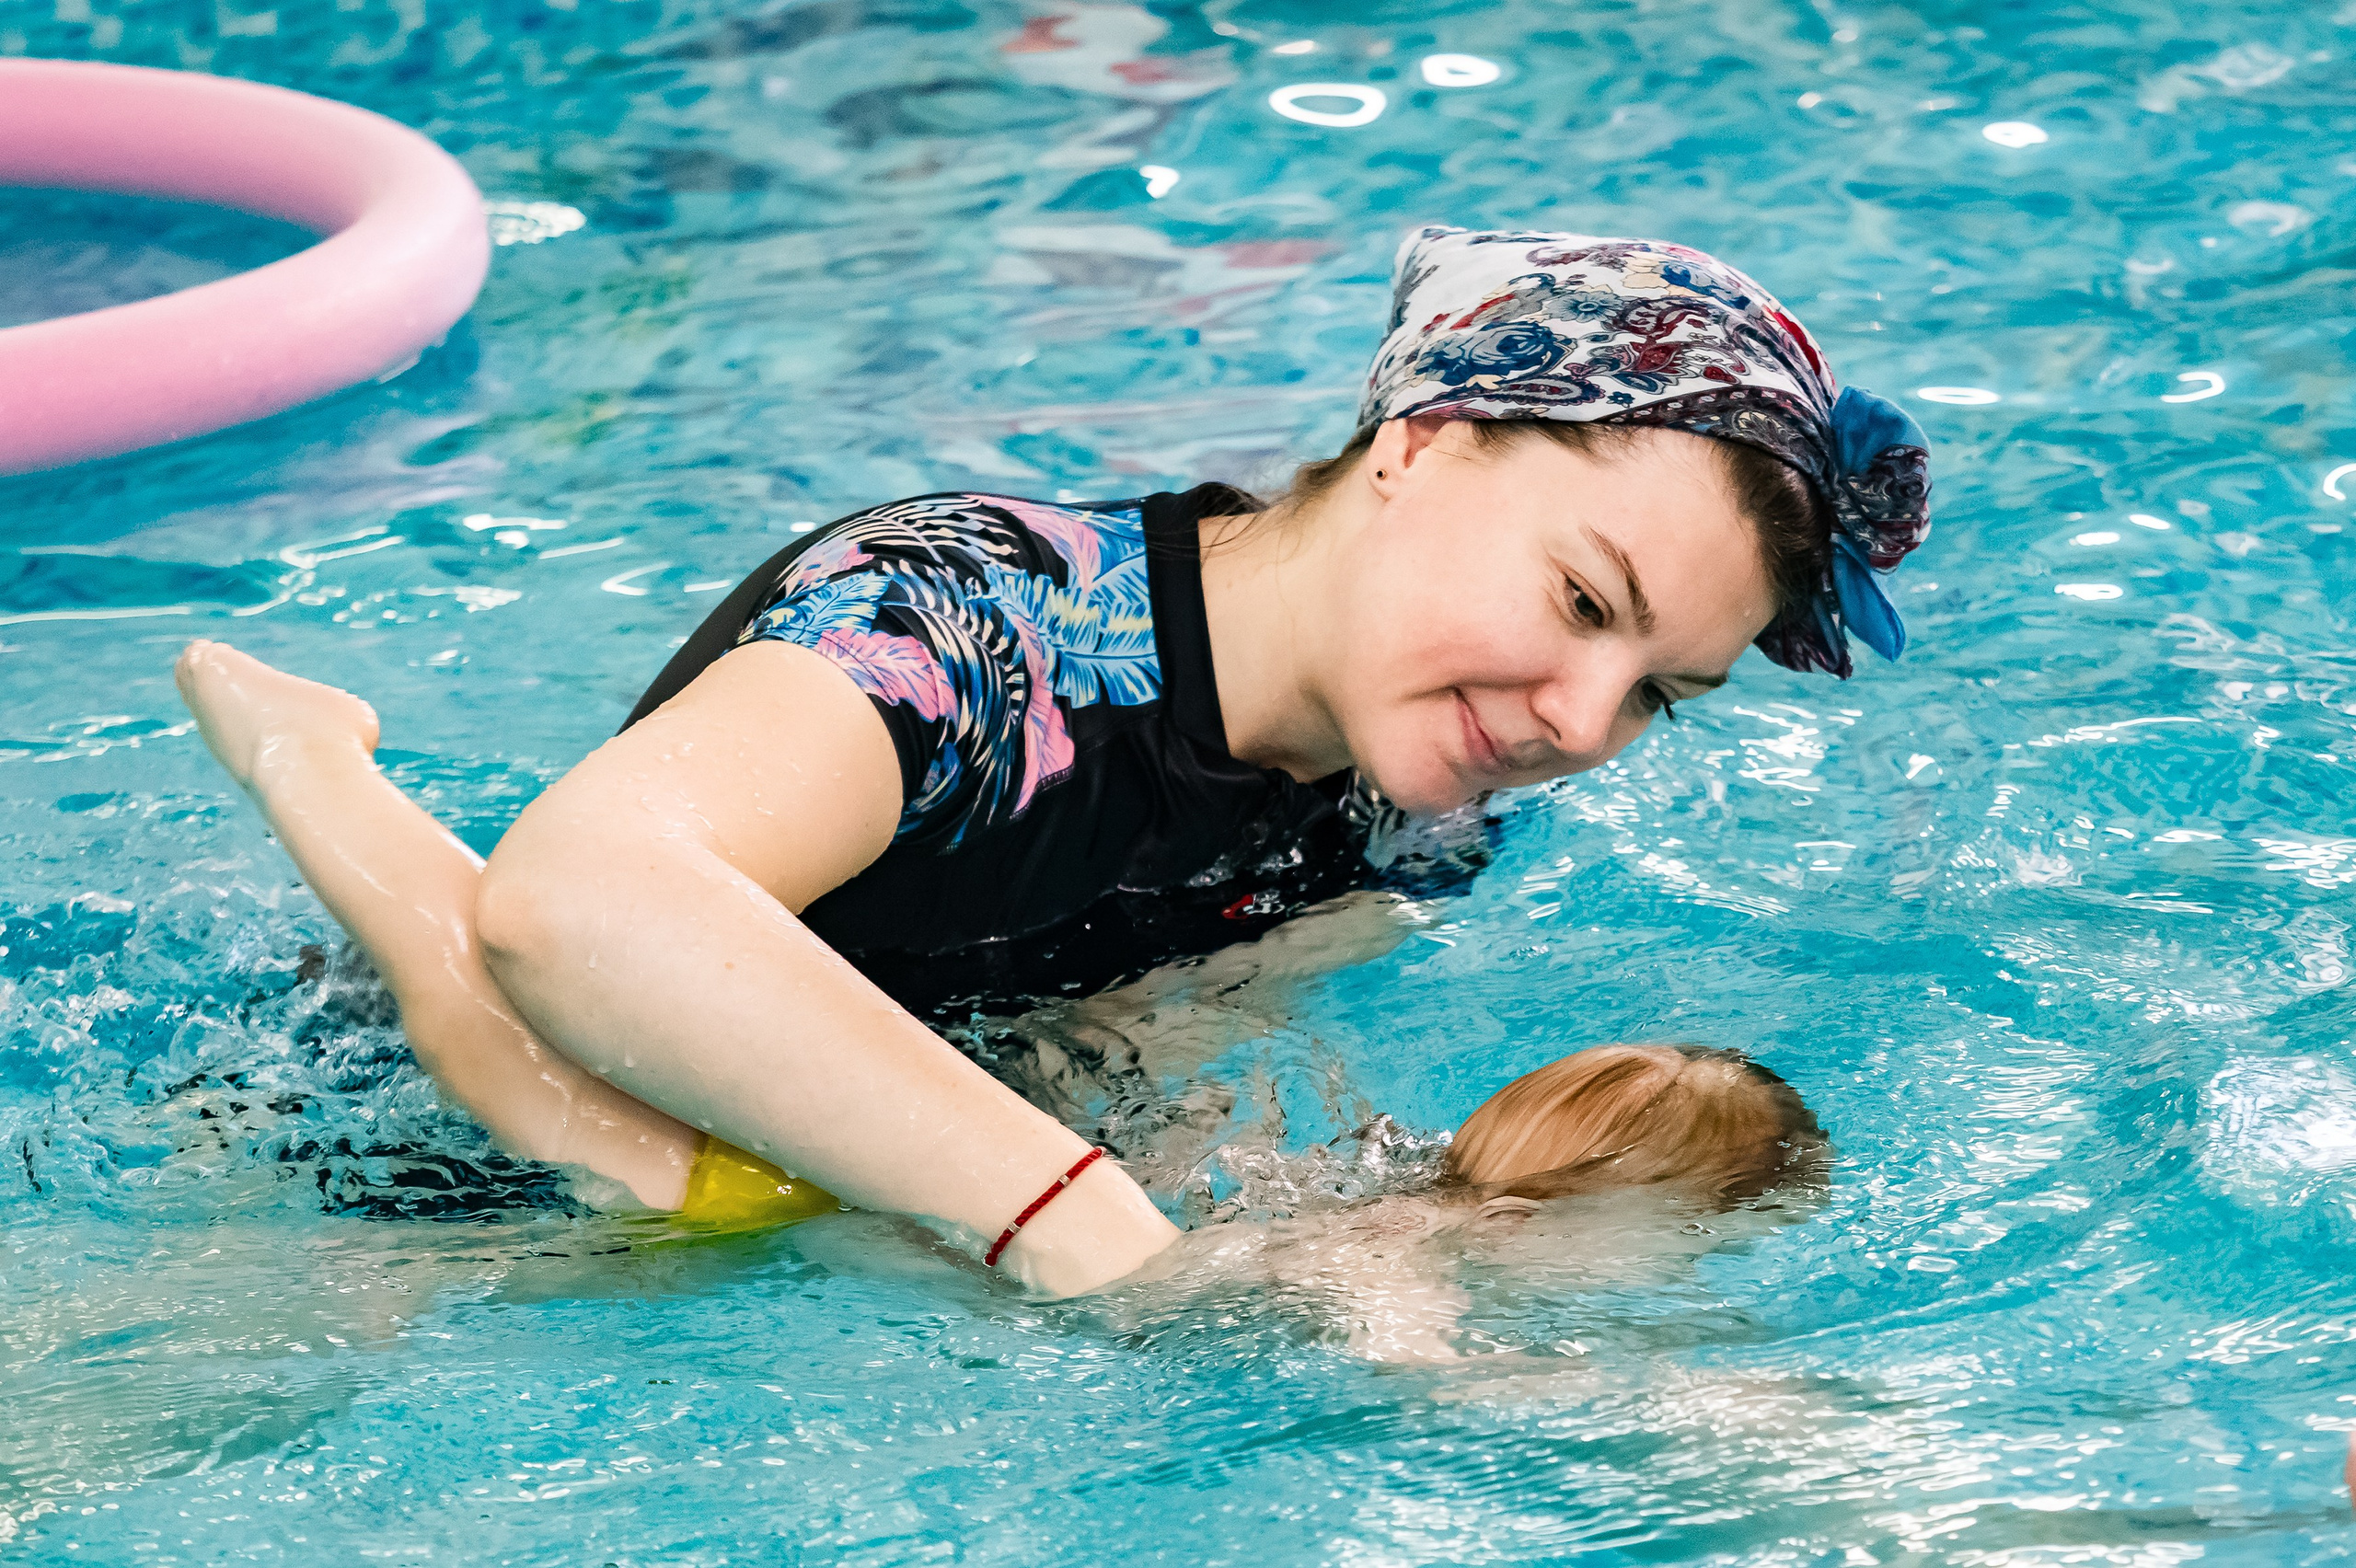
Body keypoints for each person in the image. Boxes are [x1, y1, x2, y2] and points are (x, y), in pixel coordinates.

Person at [173, 225, 1931, 1297]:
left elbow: (1127, 1050)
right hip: (354, 1173)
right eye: (1580, 598)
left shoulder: (1416, 820)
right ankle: (318, 766)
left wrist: (1341, 1235)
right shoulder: (970, 620)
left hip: (749, 1225)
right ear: (1426, 442)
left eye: (1657, 694)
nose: (1580, 719)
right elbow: (575, 905)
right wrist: (1081, 1235)